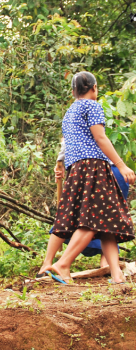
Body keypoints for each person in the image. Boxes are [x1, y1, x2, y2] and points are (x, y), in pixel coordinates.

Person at [47, 71, 135, 284]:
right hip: (94, 166)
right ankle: (63, 264)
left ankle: (117, 275)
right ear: (94, 88)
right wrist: (122, 166)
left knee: (107, 220)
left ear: (73, 91)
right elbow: (100, 137)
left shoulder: (70, 112)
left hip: (76, 168)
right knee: (94, 221)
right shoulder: (92, 106)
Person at [37, 140, 130, 277]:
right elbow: (97, 137)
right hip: (94, 168)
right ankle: (57, 264)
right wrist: (62, 162)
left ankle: (111, 268)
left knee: (102, 221)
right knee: (99, 221)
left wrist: (62, 161)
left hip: (95, 167)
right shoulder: (80, 119)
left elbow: (87, 138)